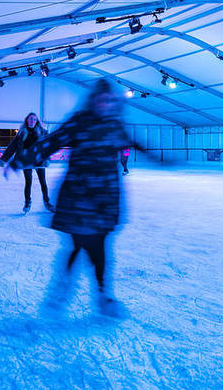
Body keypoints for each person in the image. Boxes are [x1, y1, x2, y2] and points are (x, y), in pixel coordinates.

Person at [8, 79, 141, 317]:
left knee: (94, 247)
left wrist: (157, 156)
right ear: (93, 100)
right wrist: (20, 160)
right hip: (79, 198)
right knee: (84, 245)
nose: (104, 104)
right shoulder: (80, 121)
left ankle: (78, 295)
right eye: (101, 99)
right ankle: (94, 296)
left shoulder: (114, 124)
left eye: (109, 100)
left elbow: (132, 142)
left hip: (104, 198)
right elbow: (50, 143)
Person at [0, 112, 54, 214]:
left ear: (37, 121)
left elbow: (48, 146)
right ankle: (27, 203)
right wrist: (4, 159)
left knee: (43, 182)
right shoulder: (21, 133)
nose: (32, 121)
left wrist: (47, 159)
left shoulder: (42, 132)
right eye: (30, 119)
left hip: (39, 160)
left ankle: (47, 202)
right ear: (26, 120)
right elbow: (12, 147)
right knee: (28, 182)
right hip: (26, 160)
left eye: (34, 119)